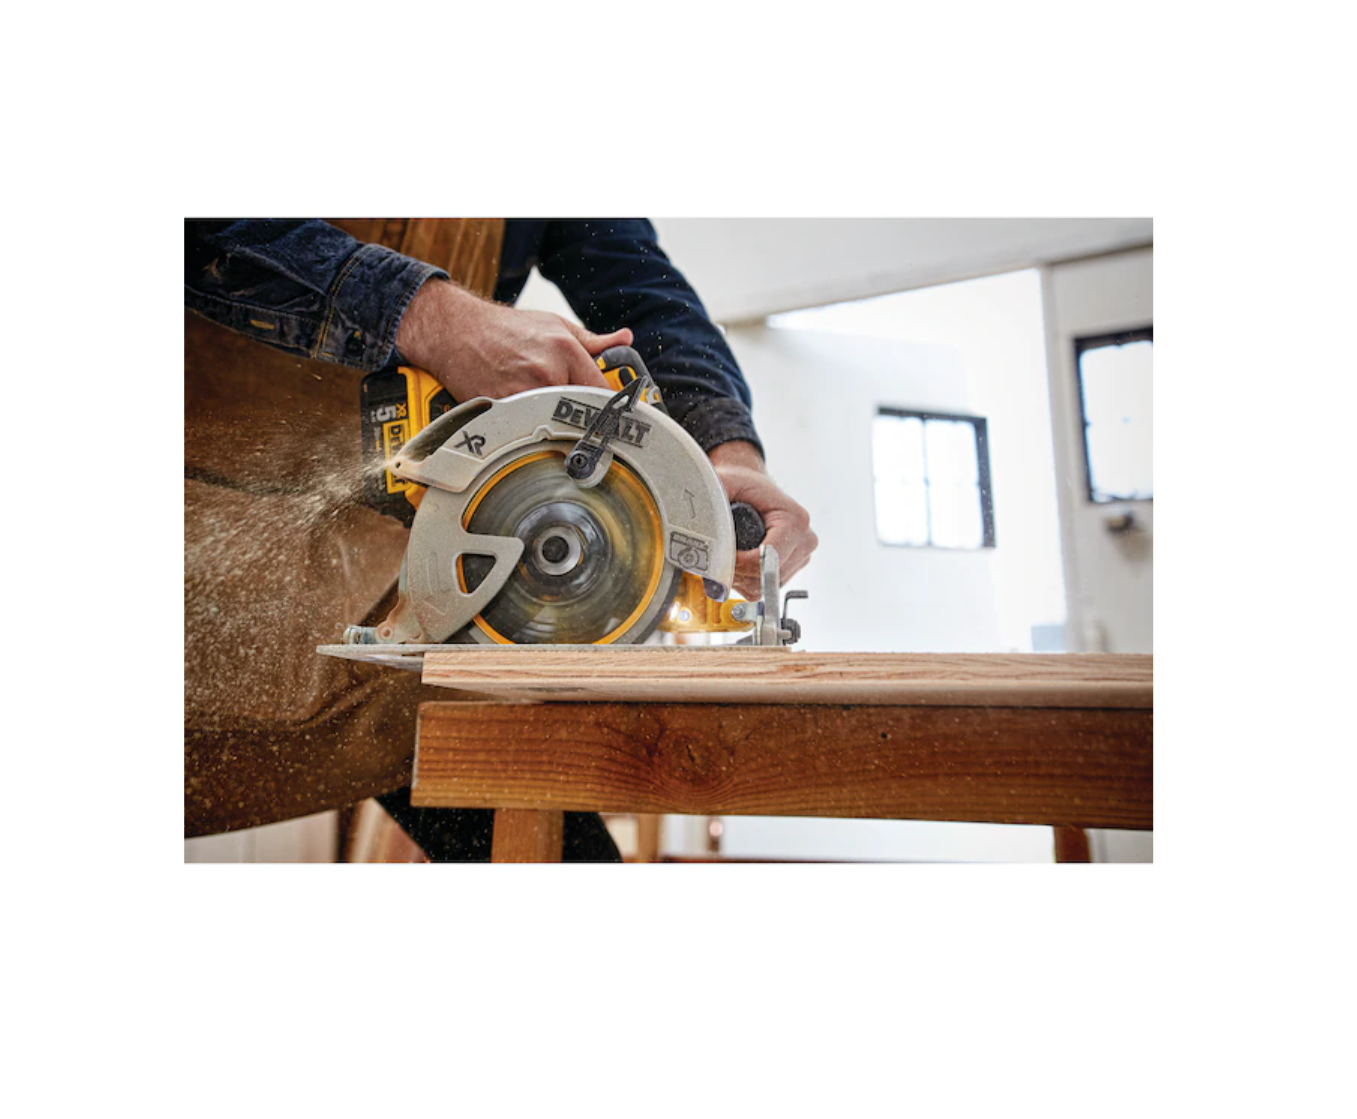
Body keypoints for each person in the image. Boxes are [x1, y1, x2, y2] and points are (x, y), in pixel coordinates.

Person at [184, 219, 817, 861]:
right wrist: (431, 317)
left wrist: (725, 458)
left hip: (412, 577)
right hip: (198, 519)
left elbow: (649, 300)